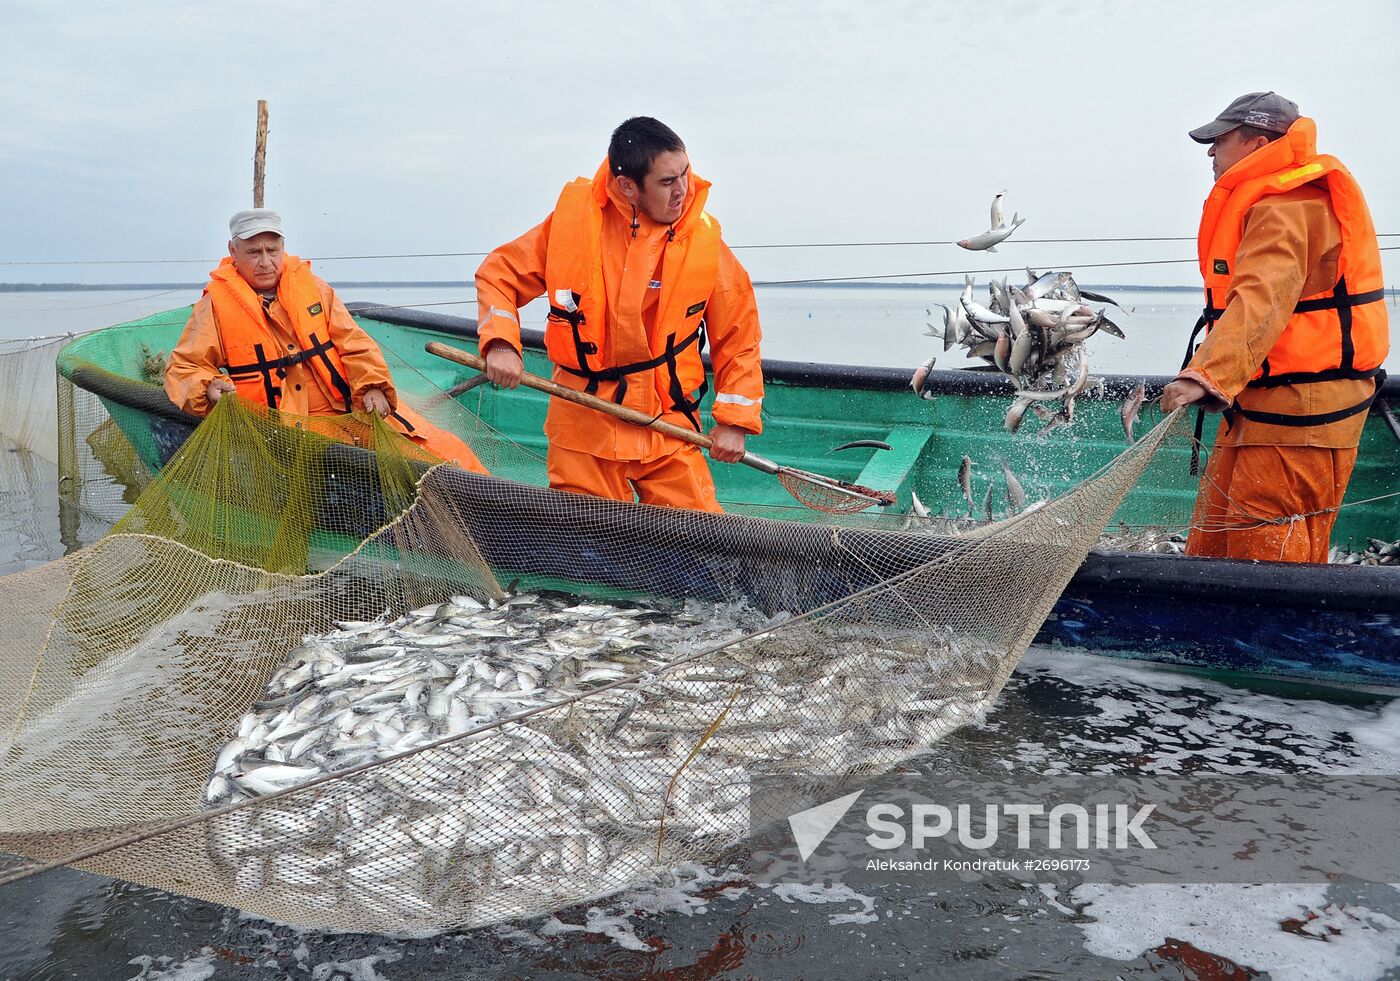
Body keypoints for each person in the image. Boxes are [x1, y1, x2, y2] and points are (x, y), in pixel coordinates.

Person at [474, 116, 764, 513]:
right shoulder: (572, 226)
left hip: (669, 424)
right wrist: (501, 344)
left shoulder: (706, 243)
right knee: (588, 543)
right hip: (584, 425)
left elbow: (739, 336)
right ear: (628, 185)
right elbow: (500, 274)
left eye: (685, 174)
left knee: (705, 538)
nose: (683, 191)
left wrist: (734, 421)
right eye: (667, 182)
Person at [1160, 92, 1388, 563]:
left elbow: (1262, 303)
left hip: (1299, 420)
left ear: (1256, 142)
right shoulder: (1278, 198)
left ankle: (1271, 639)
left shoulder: (1288, 205)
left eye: (1219, 141)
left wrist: (1206, 376)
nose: (1210, 152)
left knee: (1262, 559)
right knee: (1214, 547)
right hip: (1263, 410)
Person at [166, 209, 487, 473]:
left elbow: (355, 344)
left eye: (272, 250)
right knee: (397, 469)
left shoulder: (315, 289)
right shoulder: (215, 306)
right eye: (254, 252)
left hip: (353, 410)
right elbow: (184, 367)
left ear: (283, 248)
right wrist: (207, 387)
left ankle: (509, 513)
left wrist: (373, 386)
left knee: (446, 449)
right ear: (233, 252)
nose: (265, 261)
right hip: (283, 432)